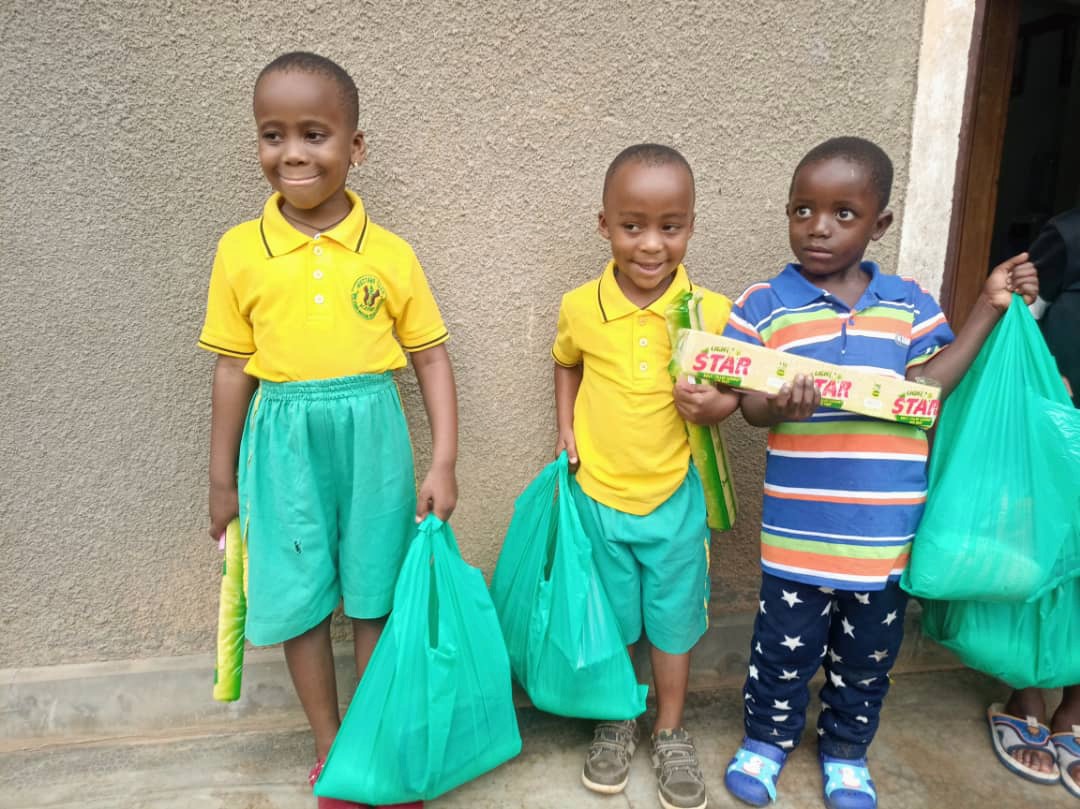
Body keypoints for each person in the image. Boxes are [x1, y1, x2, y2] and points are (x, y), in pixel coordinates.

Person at [715, 136, 1037, 809]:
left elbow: (928, 388)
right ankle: (766, 741)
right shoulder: (764, 304)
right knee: (781, 650)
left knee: (865, 662)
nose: (819, 228)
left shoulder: (908, 304)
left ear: (879, 223)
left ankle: (845, 753)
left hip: (883, 541)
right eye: (802, 211)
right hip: (799, 536)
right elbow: (747, 406)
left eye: (842, 213)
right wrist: (778, 400)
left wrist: (986, 305)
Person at [198, 52, 458, 809]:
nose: (293, 153)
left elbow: (431, 356)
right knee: (301, 597)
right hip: (280, 440)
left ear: (356, 146)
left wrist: (444, 458)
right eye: (272, 135)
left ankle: (376, 747)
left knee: (374, 592)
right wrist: (220, 479)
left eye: (315, 133)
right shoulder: (239, 251)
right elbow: (231, 369)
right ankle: (332, 747)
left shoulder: (390, 253)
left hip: (373, 432)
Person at [552, 143, 732, 809]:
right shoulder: (581, 307)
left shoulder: (709, 312)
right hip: (599, 497)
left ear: (691, 224)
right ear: (604, 224)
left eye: (670, 226)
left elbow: (739, 391)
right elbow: (564, 361)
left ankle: (671, 728)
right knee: (617, 621)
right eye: (633, 226)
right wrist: (566, 423)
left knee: (673, 621)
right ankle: (618, 716)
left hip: (673, 501)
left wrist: (717, 403)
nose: (652, 244)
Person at [987, 205, 1080, 801]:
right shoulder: (1069, 234)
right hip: (1057, 421)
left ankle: (1075, 709)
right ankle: (1025, 691)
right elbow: (1023, 314)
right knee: (1041, 555)